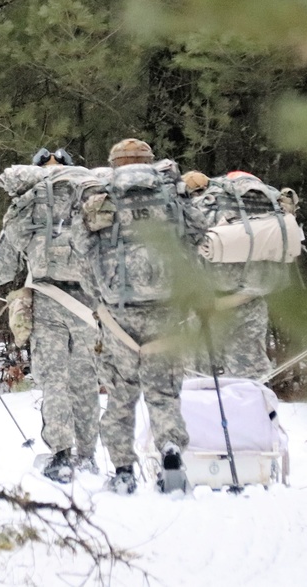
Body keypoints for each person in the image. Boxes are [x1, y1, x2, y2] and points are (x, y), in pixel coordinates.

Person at [73, 138, 207, 494]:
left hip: (119, 315)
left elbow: (83, 251)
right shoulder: (170, 192)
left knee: (120, 393)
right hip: (167, 310)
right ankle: (171, 452)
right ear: (150, 161)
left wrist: (99, 299)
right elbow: (198, 233)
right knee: (163, 392)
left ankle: (122, 471)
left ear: (114, 164)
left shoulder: (100, 196)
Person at [0, 148, 101, 483]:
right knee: (85, 379)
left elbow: (0, 266)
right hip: (90, 303)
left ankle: (60, 456)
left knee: (54, 380)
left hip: (47, 299)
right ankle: (87, 456)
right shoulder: (92, 194)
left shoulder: (30, 201)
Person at [188, 170, 303, 381]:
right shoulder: (269, 212)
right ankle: (254, 411)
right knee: (251, 376)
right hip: (251, 303)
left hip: (207, 305)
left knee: (200, 380)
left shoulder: (204, 205)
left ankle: (205, 413)